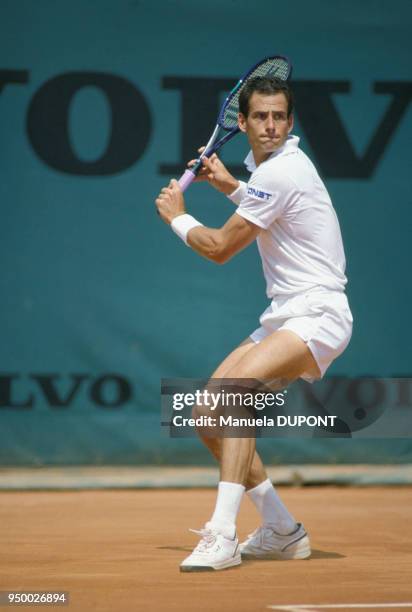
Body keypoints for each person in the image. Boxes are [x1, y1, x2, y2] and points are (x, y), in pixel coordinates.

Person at [155, 76, 353, 572]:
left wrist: (178, 218)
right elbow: (274, 212)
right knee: (207, 414)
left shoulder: (282, 170)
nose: (270, 126)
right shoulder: (271, 173)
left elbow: (220, 248)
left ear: (290, 121)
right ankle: (283, 530)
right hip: (287, 313)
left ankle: (222, 534)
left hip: (319, 314)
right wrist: (227, 185)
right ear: (240, 122)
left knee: (233, 395)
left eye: (279, 116)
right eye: (260, 117)